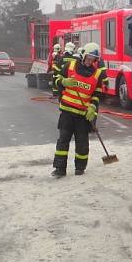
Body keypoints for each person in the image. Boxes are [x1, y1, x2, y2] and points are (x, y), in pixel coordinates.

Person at [52, 42, 107, 178]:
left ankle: (80, 168)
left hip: (83, 115)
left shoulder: (97, 74)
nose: (90, 61)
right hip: (67, 113)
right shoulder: (70, 66)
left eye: (93, 59)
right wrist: (63, 82)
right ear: (83, 55)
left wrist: (93, 108)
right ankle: (59, 169)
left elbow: (97, 94)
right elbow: (56, 79)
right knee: (63, 141)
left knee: (82, 143)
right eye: (88, 58)